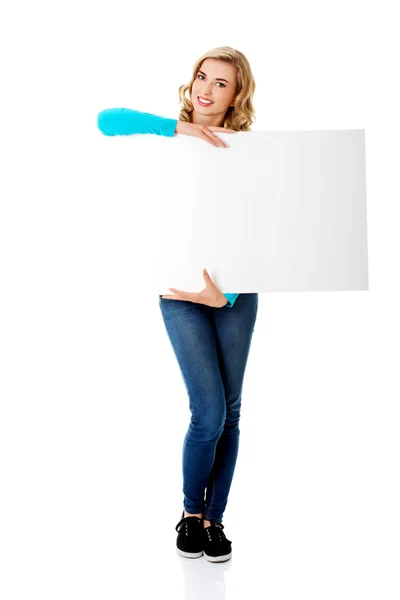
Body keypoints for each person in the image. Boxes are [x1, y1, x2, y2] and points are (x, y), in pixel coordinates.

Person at [97, 46, 258, 563]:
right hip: (178, 294)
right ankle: (191, 512)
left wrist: (226, 293)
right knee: (206, 412)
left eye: (221, 84)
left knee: (230, 413)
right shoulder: (165, 138)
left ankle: (215, 521)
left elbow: (261, 231)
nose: (206, 91)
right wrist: (180, 128)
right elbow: (105, 119)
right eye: (201, 78)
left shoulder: (247, 151)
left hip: (234, 292)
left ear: (237, 97)